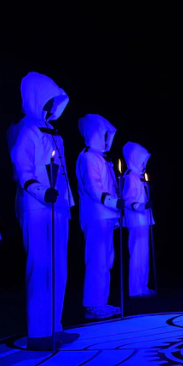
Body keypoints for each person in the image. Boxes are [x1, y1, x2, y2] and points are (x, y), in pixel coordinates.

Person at [8, 72, 78, 351]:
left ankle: (54, 326)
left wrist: (65, 201)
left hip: (57, 206)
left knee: (58, 268)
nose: (52, 105)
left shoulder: (52, 132)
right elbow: (22, 169)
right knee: (39, 267)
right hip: (36, 207)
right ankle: (38, 332)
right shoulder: (27, 130)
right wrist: (40, 191)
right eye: (48, 100)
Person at [76, 114, 123, 320]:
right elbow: (93, 187)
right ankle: (93, 304)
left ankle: (100, 302)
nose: (106, 139)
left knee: (105, 259)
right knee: (96, 259)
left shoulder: (100, 158)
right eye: (103, 134)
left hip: (105, 216)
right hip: (96, 216)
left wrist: (115, 212)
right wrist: (113, 203)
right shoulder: (88, 157)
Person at [122, 142, 156, 298]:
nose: (143, 165)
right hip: (136, 221)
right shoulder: (130, 177)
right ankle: (136, 289)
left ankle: (143, 286)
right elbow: (128, 200)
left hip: (143, 221)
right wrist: (142, 206)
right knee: (137, 254)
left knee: (143, 255)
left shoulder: (138, 177)